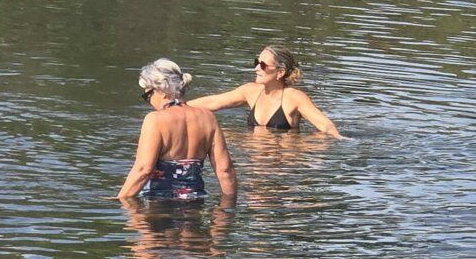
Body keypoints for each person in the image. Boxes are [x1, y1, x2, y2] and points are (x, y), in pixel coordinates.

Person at [118, 58, 236, 201]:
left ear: (162, 91)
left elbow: (143, 170)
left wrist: (120, 200)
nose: (149, 101)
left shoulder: (155, 119)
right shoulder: (208, 118)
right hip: (195, 204)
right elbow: (225, 170)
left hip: (159, 206)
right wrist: (227, 210)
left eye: (147, 95)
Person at [189, 44, 342, 136]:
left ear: (280, 72)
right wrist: (175, 107)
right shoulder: (251, 91)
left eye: (263, 65)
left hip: (282, 163)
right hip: (254, 157)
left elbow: (326, 126)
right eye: (256, 62)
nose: (256, 68)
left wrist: (300, 147)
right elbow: (213, 101)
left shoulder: (294, 98)